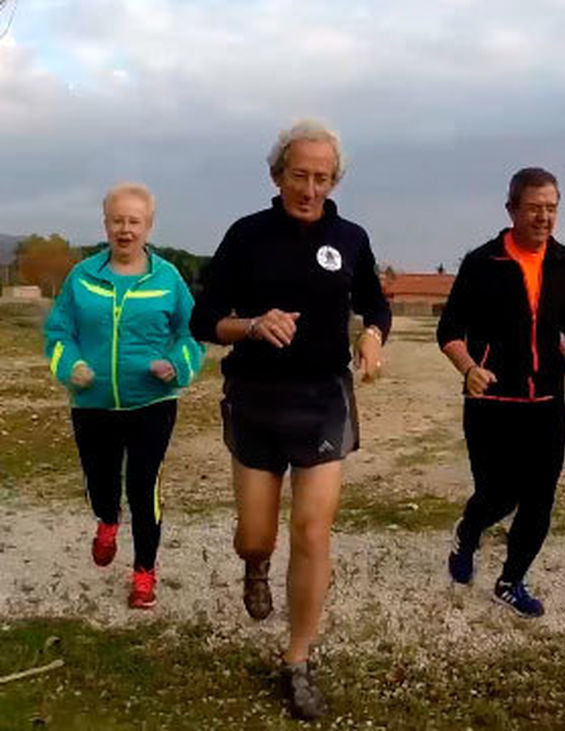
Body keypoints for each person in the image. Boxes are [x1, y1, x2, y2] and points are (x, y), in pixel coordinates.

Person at [189, 119, 390, 722]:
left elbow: (374, 302)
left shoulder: (351, 237)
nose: (310, 188)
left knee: (312, 531)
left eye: (321, 178)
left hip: (324, 397)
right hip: (254, 395)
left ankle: (298, 659)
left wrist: (375, 336)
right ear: (277, 175)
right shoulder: (246, 236)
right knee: (258, 534)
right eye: (299, 176)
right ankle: (254, 564)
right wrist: (251, 325)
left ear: (335, 179)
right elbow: (203, 320)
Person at [438, 166, 565, 618]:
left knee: (540, 496)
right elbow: (449, 330)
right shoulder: (482, 263)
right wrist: (469, 367)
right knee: (497, 495)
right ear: (512, 209)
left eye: (551, 208)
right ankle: (467, 534)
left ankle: (511, 581)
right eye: (534, 208)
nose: (543, 217)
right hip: (492, 401)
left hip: (546, 402)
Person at [44, 182, 205, 610]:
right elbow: (59, 333)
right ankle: (106, 520)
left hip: (152, 404)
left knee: (142, 484)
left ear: (148, 226)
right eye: (118, 221)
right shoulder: (83, 277)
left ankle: (144, 573)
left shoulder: (168, 278)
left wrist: (177, 365)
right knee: (101, 482)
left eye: (134, 221)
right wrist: (69, 366)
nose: (126, 229)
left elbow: (192, 333)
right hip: (92, 404)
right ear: (106, 224)